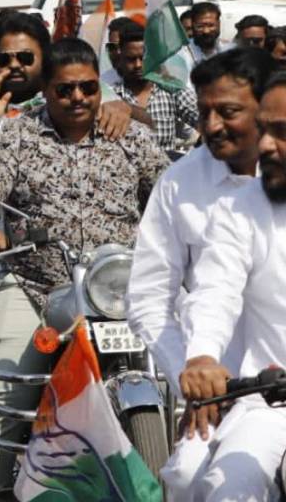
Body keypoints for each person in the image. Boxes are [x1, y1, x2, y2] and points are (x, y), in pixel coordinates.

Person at [0, 38, 168, 499]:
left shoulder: (129, 134)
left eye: (88, 87)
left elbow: (167, 193)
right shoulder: (19, 135)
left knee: (186, 375)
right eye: (65, 90)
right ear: (46, 90)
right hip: (37, 285)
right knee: (6, 398)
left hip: (119, 287)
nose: (78, 97)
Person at [127, 48, 273, 497]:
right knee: (189, 479)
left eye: (227, 112)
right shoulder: (179, 184)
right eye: (204, 111)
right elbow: (151, 300)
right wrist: (194, 376)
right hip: (221, 391)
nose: (210, 126)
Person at [174, 72, 286, 500]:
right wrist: (202, 356)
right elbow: (215, 290)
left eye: (282, 133)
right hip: (268, 405)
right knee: (221, 488)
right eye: (264, 130)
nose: (265, 146)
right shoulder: (241, 208)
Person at [0, 12, 135, 176]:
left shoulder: (75, 96)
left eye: (25, 57)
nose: (14, 65)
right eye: (4, 59)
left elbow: (147, 127)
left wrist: (125, 108)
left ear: (45, 58)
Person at [112, 23, 199, 150]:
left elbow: (205, 119)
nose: (137, 65)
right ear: (120, 60)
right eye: (131, 59)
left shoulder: (172, 90)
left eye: (143, 58)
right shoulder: (112, 96)